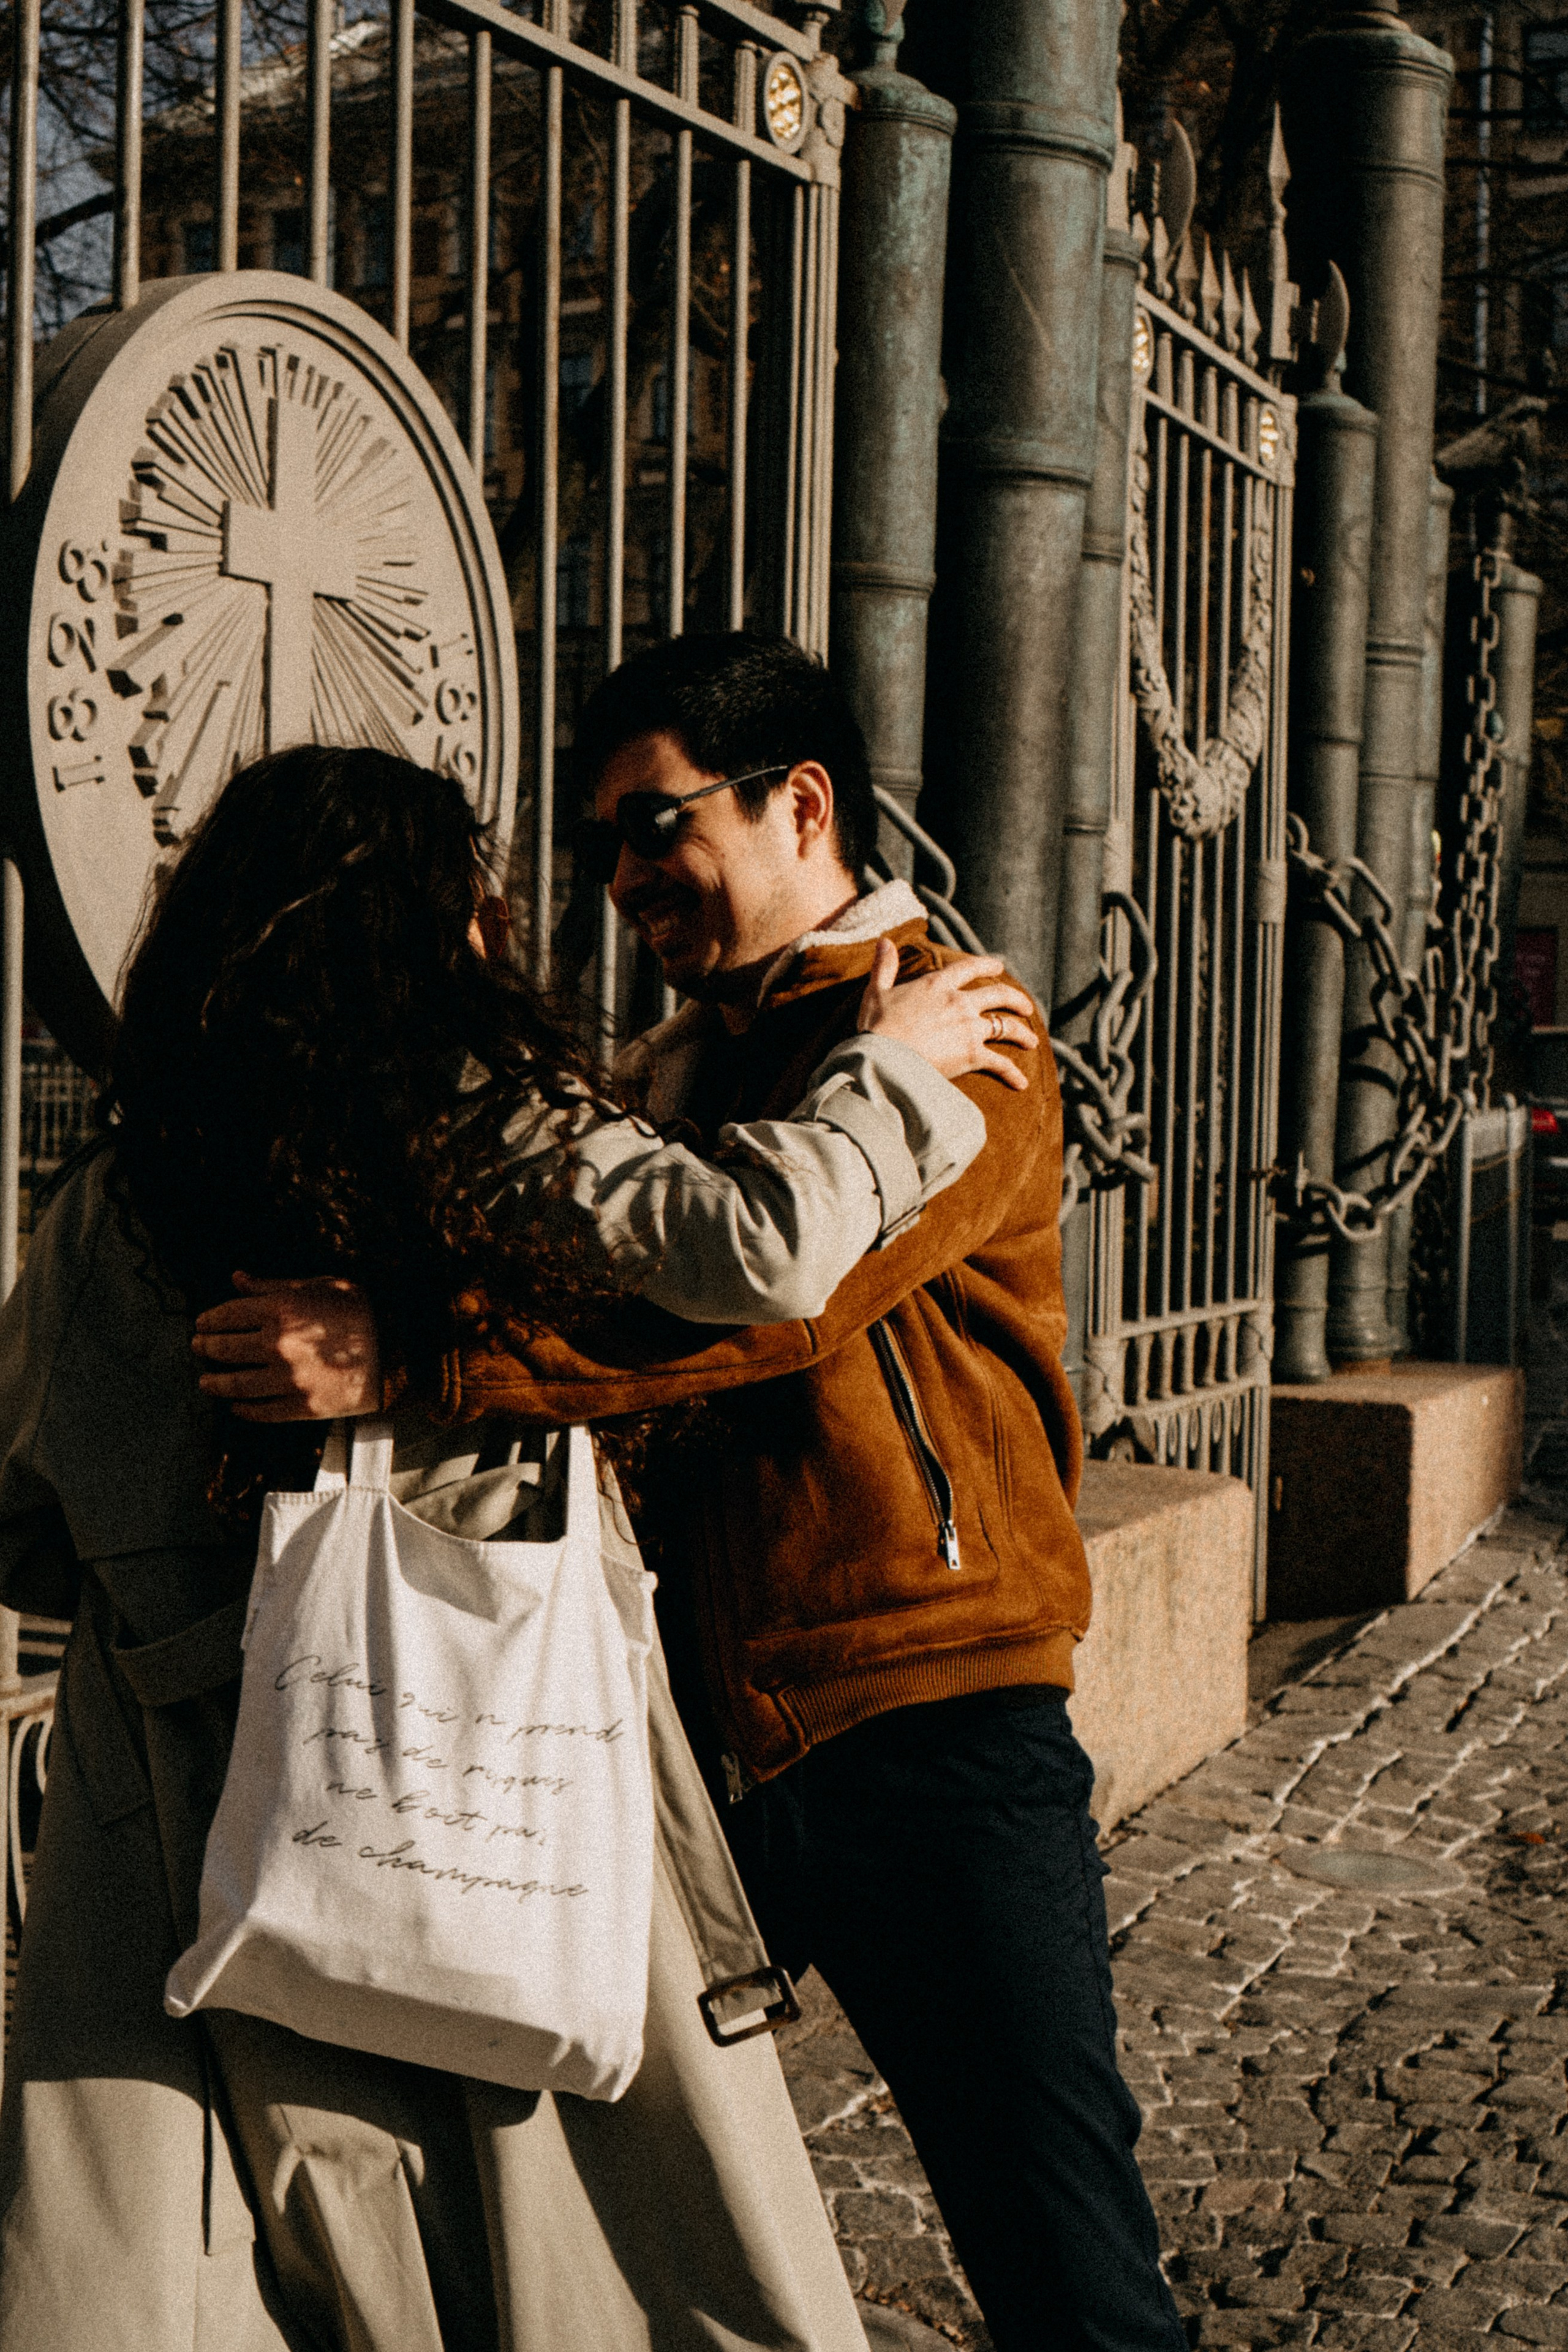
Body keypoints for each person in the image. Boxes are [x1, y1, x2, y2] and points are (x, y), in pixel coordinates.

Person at [199, 638, 1188, 2352]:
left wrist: (419, 1363)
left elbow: (756, 1316)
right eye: (601, 850)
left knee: (1063, 2262)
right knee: (615, 2213)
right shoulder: (680, 1065)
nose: (629, 882)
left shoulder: (959, 1033)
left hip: (929, 1721)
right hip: (693, 1734)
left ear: (800, 800)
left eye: (658, 825)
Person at [0, 741, 1039, 2352]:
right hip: (475, 1803)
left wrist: (185, 1609)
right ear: (441, 933)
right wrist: (892, 1065)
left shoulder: (111, 1205)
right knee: (551, 2256)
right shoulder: (482, 1139)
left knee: (206, 2269)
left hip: (181, 1852)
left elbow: (23, 1517)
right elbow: (754, 1248)